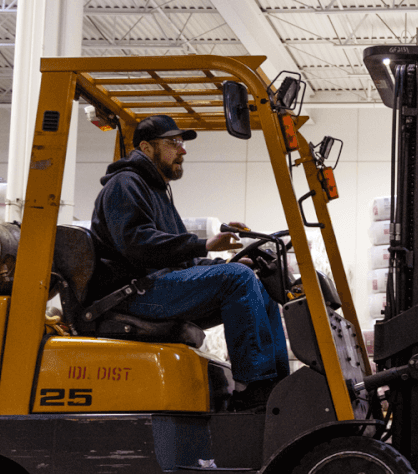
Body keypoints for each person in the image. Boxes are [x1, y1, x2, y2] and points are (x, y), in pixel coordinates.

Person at [89, 113, 289, 408]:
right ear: (146, 147)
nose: (182, 150)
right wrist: (203, 245)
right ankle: (251, 389)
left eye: (181, 143)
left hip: (157, 287)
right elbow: (137, 244)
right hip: (132, 294)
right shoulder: (125, 185)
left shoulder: (157, 192)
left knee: (258, 287)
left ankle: (278, 387)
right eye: (174, 142)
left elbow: (181, 262)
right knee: (237, 279)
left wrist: (228, 262)